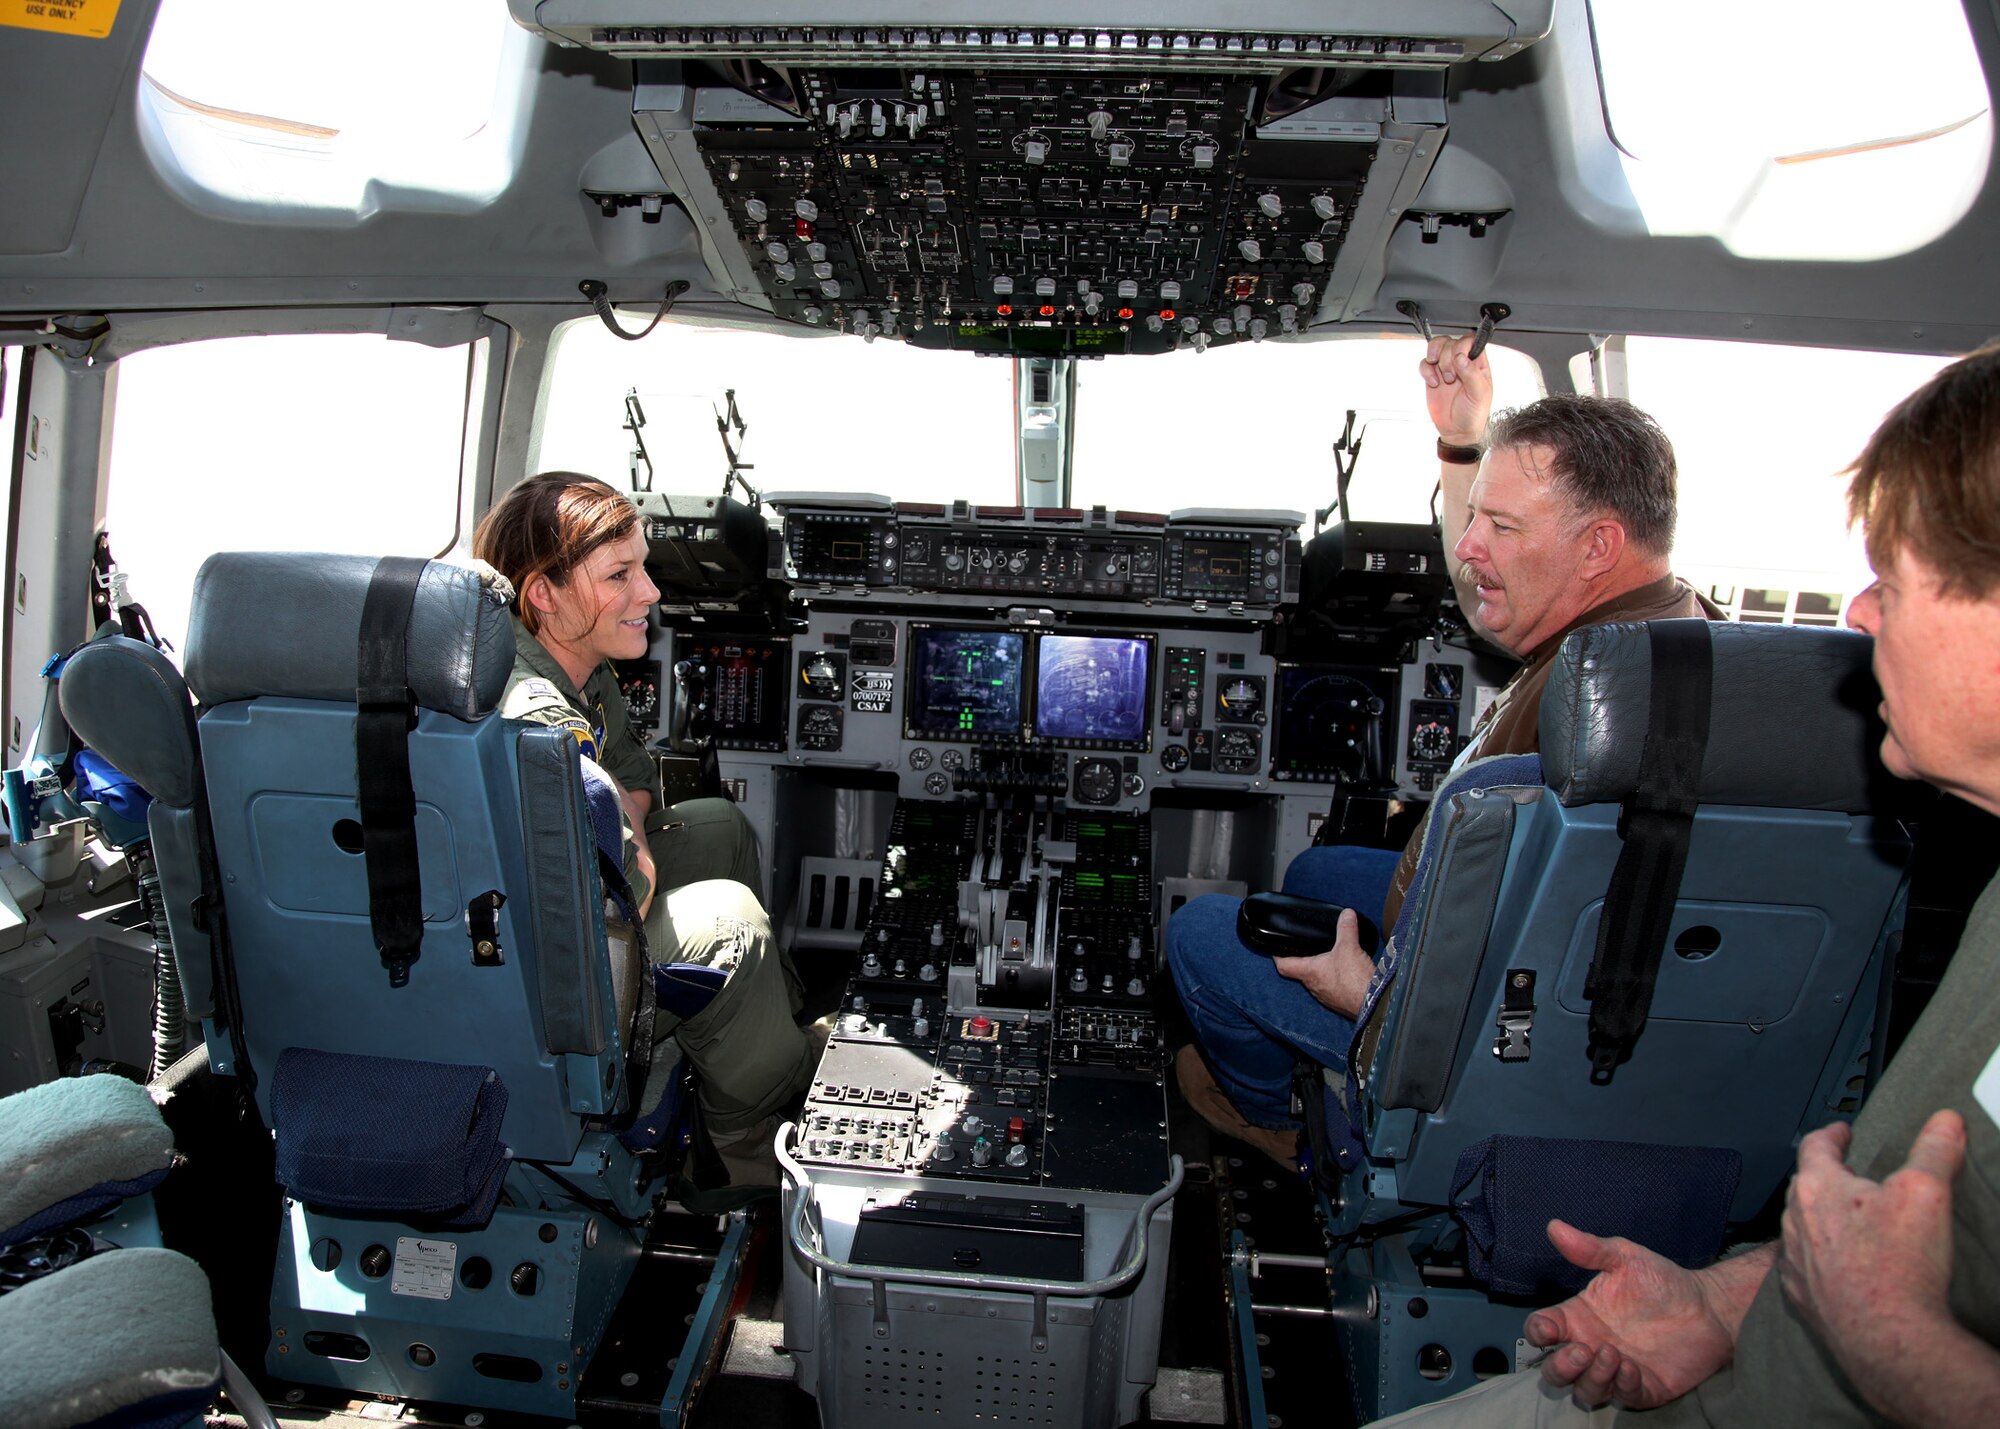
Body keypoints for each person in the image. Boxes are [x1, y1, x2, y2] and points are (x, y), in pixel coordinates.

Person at [1365, 342, 2000, 1428]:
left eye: (1892, 578)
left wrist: (1884, 1335)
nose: (1855, 617)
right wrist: (1722, 1294)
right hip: (1732, 1351)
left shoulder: (1592, 683)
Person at [1168, 335, 1720, 1168]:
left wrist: (1369, 996)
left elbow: (1541, 966)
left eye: (1498, 525)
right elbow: (1485, 600)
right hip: (1497, 931)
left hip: (1484, 1018)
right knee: (1319, 877)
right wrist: (1464, 441)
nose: (1467, 547)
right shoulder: (1670, 632)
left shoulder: (1591, 709)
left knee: (1203, 933)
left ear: (1598, 545)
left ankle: (1286, 1126)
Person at [473, 471, 812, 1184]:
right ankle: (737, 1153)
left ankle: (769, 1028)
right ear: (543, 592)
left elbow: (632, 781)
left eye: (644, 568)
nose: (650, 593)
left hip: (555, 919)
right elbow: (635, 879)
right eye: (619, 574)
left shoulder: (577, 667)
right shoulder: (536, 715)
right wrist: (628, 831)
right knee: (731, 923)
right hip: (549, 974)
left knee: (720, 828)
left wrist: (625, 816)